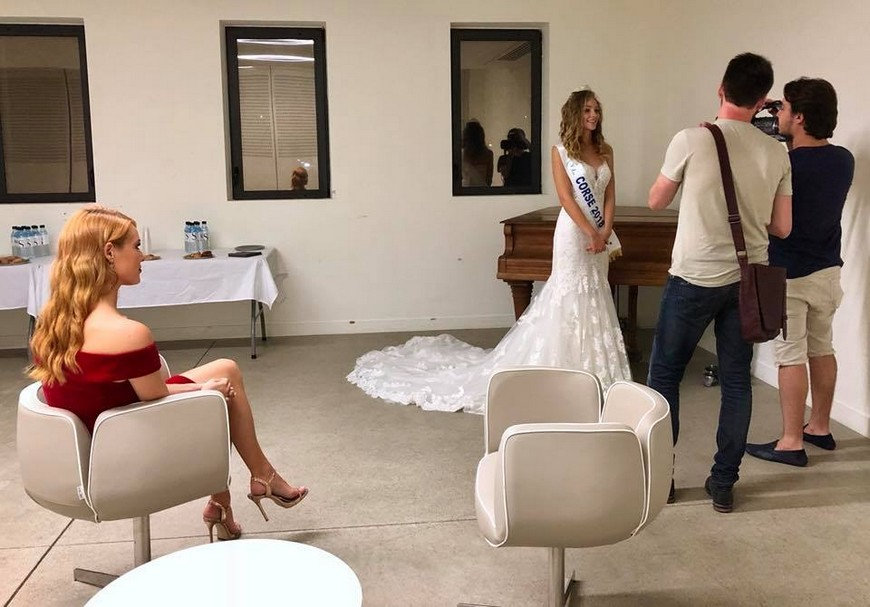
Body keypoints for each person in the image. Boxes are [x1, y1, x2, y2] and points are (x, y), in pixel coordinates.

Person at [29, 206, 308, 542]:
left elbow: (139, 391)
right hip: (128, 452)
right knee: (220, 393)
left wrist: (209, 385)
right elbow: (154, 394)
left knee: (226, 370)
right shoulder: (126, 332)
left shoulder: (54, 324)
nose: (142, 256)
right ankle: (258, 479)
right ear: (109, 252)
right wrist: (208, 389)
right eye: (135, 246)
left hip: (87, 447)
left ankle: (231, 499)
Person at [348, 89, 630, 413]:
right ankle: (563, 373)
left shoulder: (605, 150)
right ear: (574, 114)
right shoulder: (561, 151)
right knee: (569, 295)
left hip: (599, 236)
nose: (593, 115)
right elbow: (566, 198)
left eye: (596, 110)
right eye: (587, 110)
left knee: (595, 293)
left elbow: (610, 194)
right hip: (574, 235)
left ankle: (595, 372)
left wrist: (604, 231)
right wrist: (590, 232)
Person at [646, 52, 792, 513]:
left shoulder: (691, 139)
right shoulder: (777, 152)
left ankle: (662, 480)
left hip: (693, 277)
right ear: (762, 101)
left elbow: (655, 201)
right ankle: (724, 483)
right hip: (747, 282)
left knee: (665, 375)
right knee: (736, 381)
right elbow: (782, 227)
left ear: (720, 89)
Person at [746, 78, 854, 467]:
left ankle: (791, 442)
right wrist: (780, 123)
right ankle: (819, 427)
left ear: (801, 117)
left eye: (785, 108)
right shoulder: (843, 160)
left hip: (789, 275)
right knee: (822, 349)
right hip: (828, 272)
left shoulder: (784, 164)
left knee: (789, 356)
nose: (779, 114)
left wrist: (755, 121)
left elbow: (769, 217)